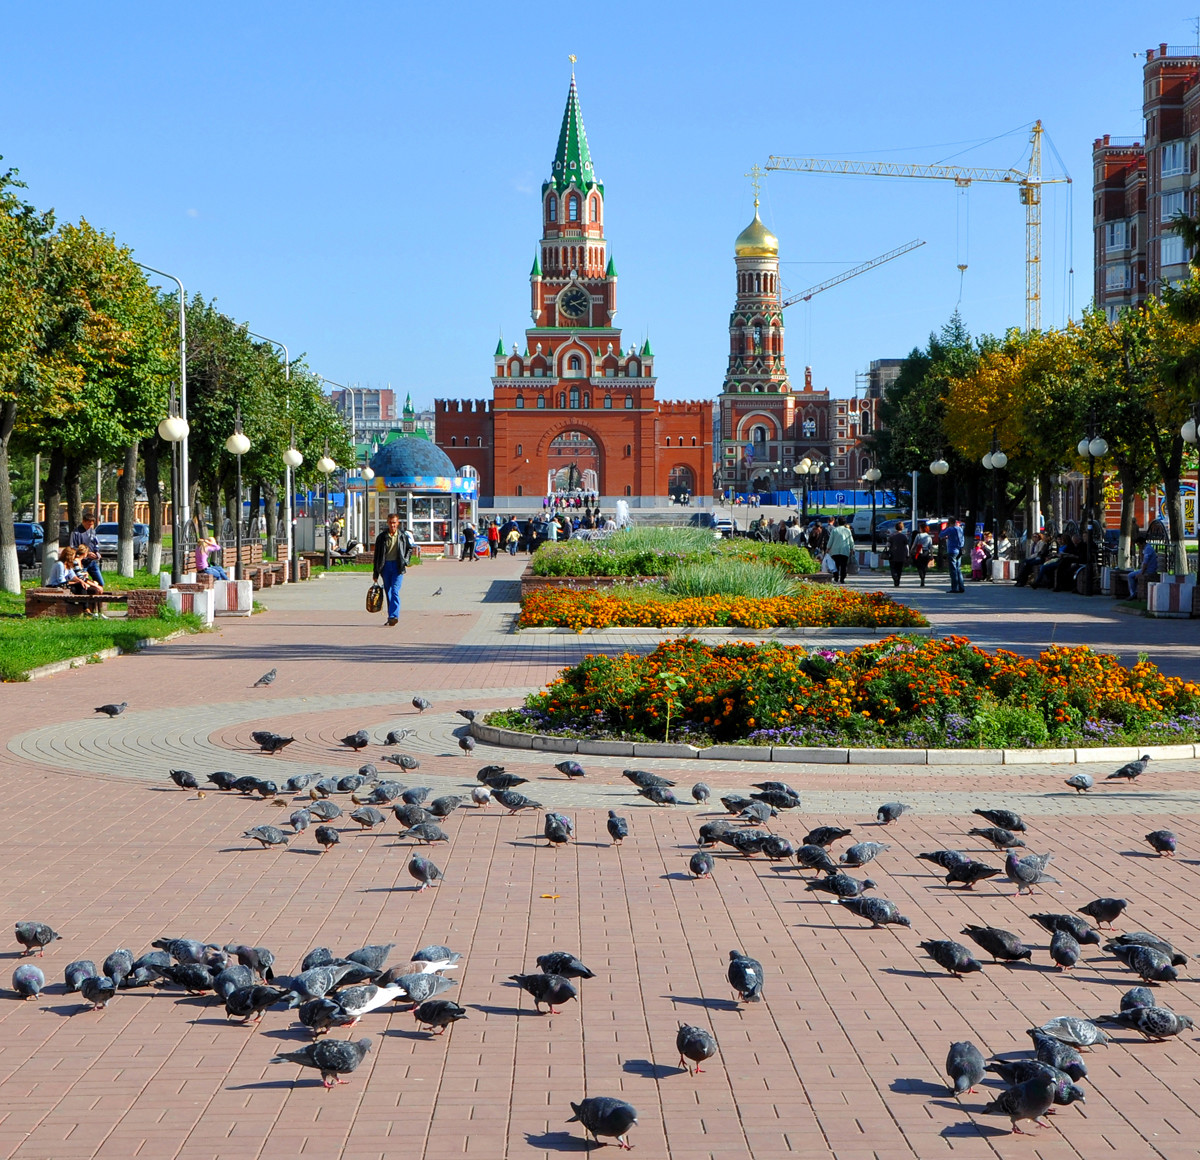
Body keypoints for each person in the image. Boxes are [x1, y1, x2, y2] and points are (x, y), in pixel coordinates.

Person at [371, 512, 408, 626]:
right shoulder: (381, 537)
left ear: (398, 523)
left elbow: (409, 549)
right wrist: (376, 572)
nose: (392, 525)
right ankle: (391, 616)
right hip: (385, 567)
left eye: (394, 523)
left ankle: (394, 616)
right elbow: (377, 555)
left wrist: (406, 560)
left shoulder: (402, 536)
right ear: (387, 523)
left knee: (395, 590)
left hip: (398, 567)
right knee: (388, 592)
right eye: (391, 523)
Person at [69, 512, 104, 590]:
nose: (90, 526)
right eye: (88, 524)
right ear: (83, 521)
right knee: (83, 582)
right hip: (82, 562)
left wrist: (97, 553)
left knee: (101, 582)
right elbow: (72, 547)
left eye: (92, 525)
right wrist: (87, 554)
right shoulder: (76, 532)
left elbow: (96, 543)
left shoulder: (92, 531)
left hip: (92, 561)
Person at [939, 517, 966, 593]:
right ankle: (961, 587)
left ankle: (954, 588)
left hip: (952, 550)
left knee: (953, 570)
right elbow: (962, 538)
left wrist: (946, 527)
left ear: (949, 522)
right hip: (959, 550)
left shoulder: (950, 529)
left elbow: (941, 535)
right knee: (958, 569)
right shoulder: (960, 529)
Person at [1128, 533, 1158, 599]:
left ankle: (1133, 594)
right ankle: (1135, 592)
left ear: (1142, 543)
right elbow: (1142, 560)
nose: (1138, 547)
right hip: (1146, 569)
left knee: (1130, 576)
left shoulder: (1148, 549)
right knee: (1132, 575)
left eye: (1138, 545)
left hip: (1149, 570)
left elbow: (1145, 563)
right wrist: (1140, 551)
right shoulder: (1145, 549)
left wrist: (1141, 573)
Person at [827, 517, 854, 584]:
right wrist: (852, 548)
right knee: (843, 565)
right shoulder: (847, 530)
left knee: (836, 565)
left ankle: (836, 578)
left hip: (835, 550)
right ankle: (842, 579)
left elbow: (831, 540)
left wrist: (828, 548)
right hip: (845, 550)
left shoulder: (834, 530)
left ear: (838, 522)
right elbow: (851, 541)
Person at [886, 521, 909, 587]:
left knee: (893, 567)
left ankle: (894, 576)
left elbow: (888, 545)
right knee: (899, 568)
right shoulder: (904, 536)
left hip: (893, 555)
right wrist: (907, 554)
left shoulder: (892, 536)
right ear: (902, 528)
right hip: (902, 555)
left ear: (895, 528)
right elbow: (906, 546)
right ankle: (897, 581)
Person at [911, 521, 933, 588]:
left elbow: (915, 544)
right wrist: (931, 555)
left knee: (919, 566)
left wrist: (911, 550)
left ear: (921, 529)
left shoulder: (918, 535)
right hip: (926, 552)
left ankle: (921, 577)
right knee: (924, 566)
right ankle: (923, 577)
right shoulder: (929, 537)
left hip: (919, 551)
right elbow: (930, 547)